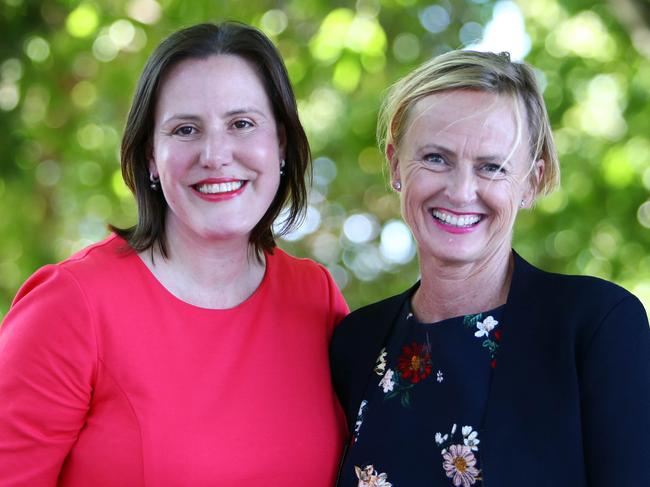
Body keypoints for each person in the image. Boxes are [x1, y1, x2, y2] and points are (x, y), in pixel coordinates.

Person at [0, 22, 348, 486]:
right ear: (150, 157)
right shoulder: (73, 304)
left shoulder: (315, 297)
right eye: (186, 129)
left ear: (280, 144)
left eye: (241, 124)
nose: (215, 154)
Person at [330, 50, 650, 487]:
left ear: (531, 183)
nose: (462, 192)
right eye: (436, 158)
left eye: (492, 167)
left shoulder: (595, 325)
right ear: (394, 165)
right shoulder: (355, 344)